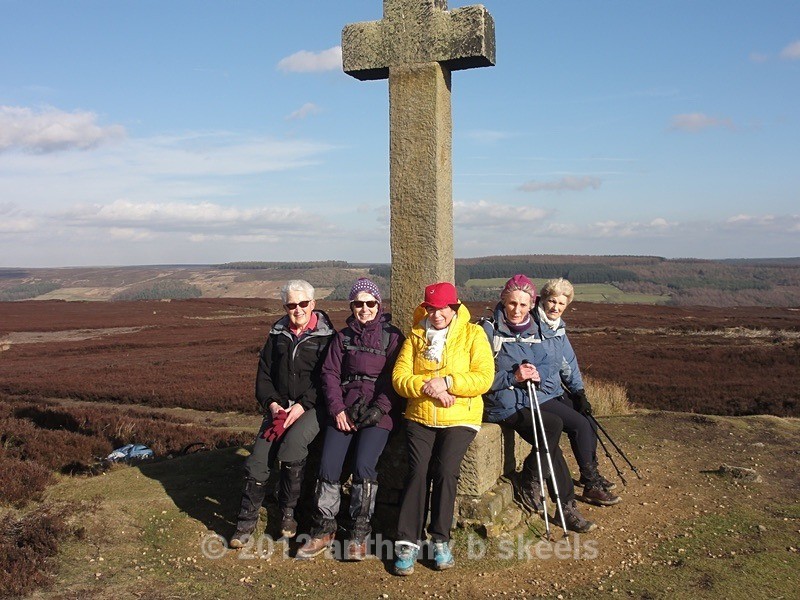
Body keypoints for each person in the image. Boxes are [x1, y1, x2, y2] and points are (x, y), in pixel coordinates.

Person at [296, 278, 404, 561]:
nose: (364, 308)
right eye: (358, 303)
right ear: (352, 306)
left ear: (379, 305)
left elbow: (395, 379)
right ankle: (324, 528)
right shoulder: (341, 337)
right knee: (329, 463)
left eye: (370, 303)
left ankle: (359, 533)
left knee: (364, 464)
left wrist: (379, 409)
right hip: (344, 408)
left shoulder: (392, 337)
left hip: (378, 413)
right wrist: (338, 410)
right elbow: (329, 375)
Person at [391, 282, 494, 575]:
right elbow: (400, 378)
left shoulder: (474, 334)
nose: (437, 315)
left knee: (446, 471)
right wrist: (430, 388)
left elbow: (483, 377)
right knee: (417, 471)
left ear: (455, 307)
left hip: (460, 416)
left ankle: (440, 540)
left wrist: (448, 382)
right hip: (420, 415)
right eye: (431, 309)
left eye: (443, 309)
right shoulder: (415, 336)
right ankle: (407, 542)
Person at [481, 274, 597, 532]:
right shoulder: (488, 330)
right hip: (502, 405)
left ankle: (563, 505)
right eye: (512, 304)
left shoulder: (533, 329)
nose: (517, 310)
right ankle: (537, 484)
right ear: (503, 299)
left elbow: (548, 362)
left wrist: (537, 372)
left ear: (531, 304)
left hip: (526, 400)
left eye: (523, 305)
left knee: (550, 442)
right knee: (552, 429)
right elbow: (479, 377)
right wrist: (513, 376)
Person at [229, 280, 335, 549]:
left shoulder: (327, 337)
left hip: (312, 408)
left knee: (293, 446)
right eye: (291, 305)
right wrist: (273, 404)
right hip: (279, 407)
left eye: (302, 304)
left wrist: (302, 405)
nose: (297, 309)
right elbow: (264, 374)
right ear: (285, 307)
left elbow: (328, 379)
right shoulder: (277, 335)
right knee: (257, 459)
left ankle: (287, 515)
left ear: (313, 304)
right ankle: (245, 524)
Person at [529, 277, 620, 506]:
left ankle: (590, 473)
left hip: (553, 391)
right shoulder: (530, 325)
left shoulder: (558, 327)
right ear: (542, 300)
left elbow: (567, 363)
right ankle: (591, 486)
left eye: (561, 304)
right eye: (552, 301)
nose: (555, 308)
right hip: (536, 395)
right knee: (578, 425)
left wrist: (579, 393)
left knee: (587, 420)